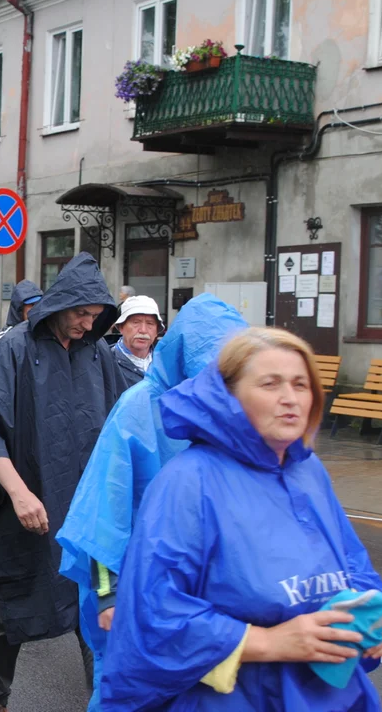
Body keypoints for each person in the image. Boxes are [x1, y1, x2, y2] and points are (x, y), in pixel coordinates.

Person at [99, 327, 382, 710]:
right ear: (229, 395)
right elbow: (154, 611)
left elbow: (351, 561)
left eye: (301, 384)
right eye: (270, 384)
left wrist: (369, 615)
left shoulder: (308, 470)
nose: (290, 399)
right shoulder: (190, 480)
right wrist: (267, 643)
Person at [0, 252, 129, 712]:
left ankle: (105, 701)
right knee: (11, 604)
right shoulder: (13, 348)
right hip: (26, 508)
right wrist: (19, 492)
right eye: (80, 313)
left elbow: (119, 431)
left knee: (96, 608)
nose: (87, 325)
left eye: (96, 316)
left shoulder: (100, 355)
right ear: (60, 304)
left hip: (86, 513)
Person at [55, 294, 247, 711]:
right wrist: (108, 594)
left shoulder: (243, 412)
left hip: (211, 601)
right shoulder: (139, 410)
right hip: (140, 593)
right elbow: (104, 514)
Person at [111, 295, 164, 388]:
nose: (143, 330)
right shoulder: (106, 362)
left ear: (157, 331)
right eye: (136, 322)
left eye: (150, 323)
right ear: (121, 327)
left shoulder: (166, 364)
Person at [0, 279, 42, 358]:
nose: (36, 309)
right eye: (32, 304)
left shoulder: (45, 337)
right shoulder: (1, 339)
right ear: (19, 309)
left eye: (39, 304)